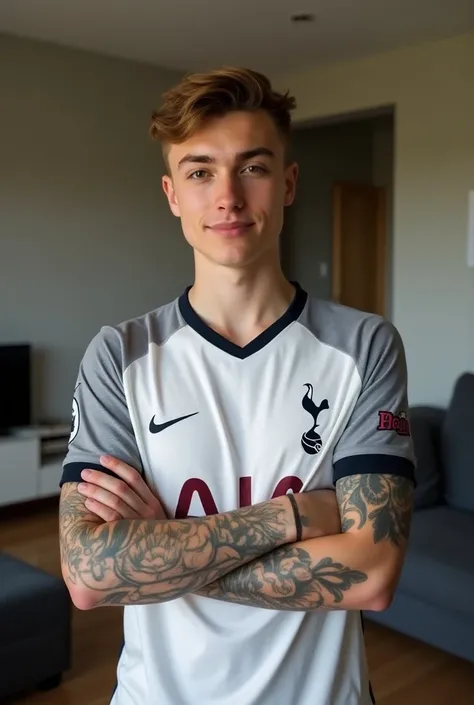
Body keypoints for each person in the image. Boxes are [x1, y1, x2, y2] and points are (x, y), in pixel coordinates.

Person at [59, 66, 416, 705]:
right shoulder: (120, 356)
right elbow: (89, 576)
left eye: (252, 167)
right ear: (172, 194)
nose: (227, 196)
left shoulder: (364, 348)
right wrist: (297, 515)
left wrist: (162, 550)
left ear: (288, 184)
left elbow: (373, 574)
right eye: (200, 172)